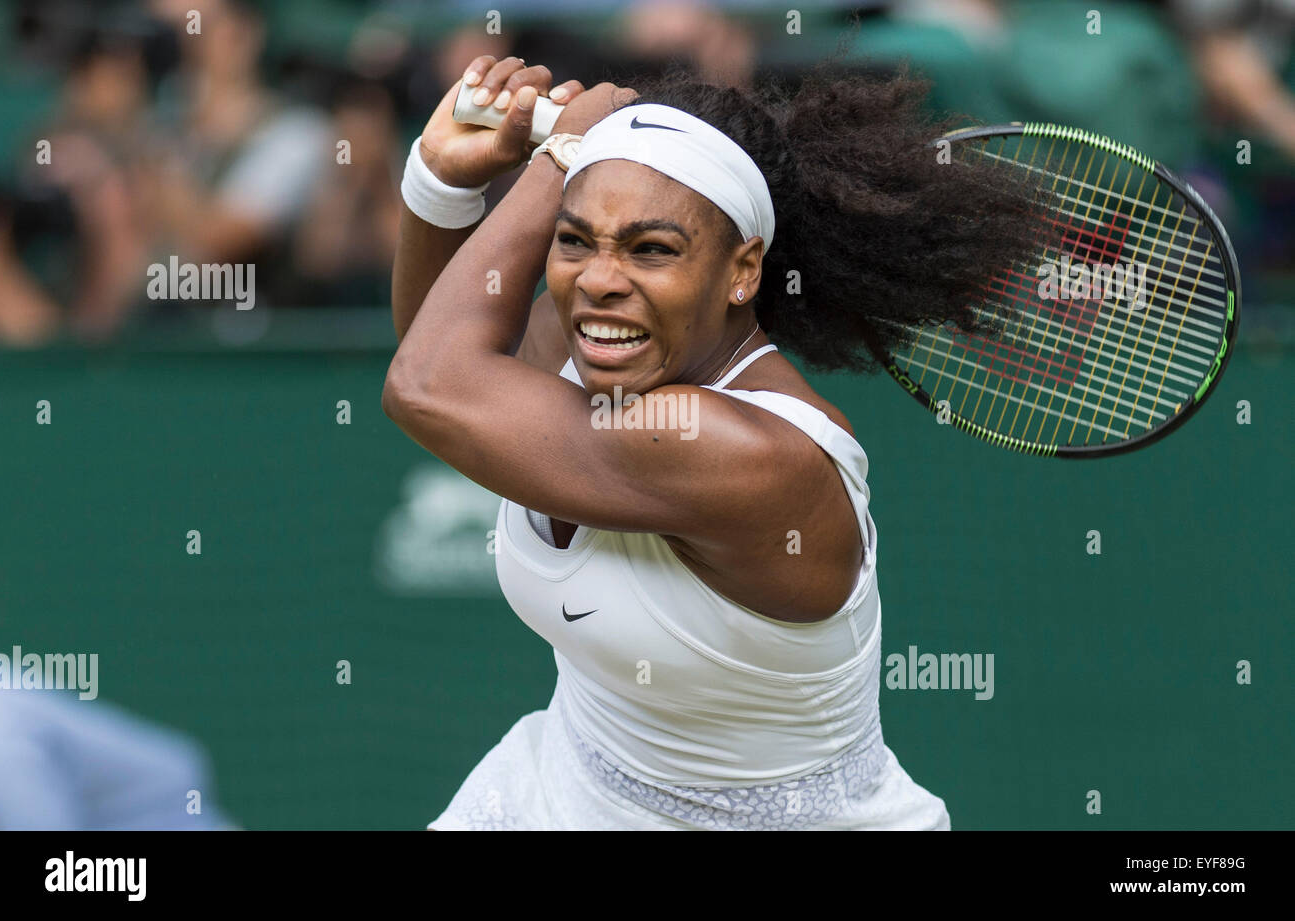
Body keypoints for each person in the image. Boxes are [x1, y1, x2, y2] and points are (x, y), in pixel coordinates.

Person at [384, 55, 1035, 829]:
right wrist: (440, 180)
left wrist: (559, 160)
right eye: (575, 240)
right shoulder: (598, 328)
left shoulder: (746, 454)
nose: (599, 280)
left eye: (652, 249)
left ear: (743, 270)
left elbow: (431, 384)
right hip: (559, 794)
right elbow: (442, 354)